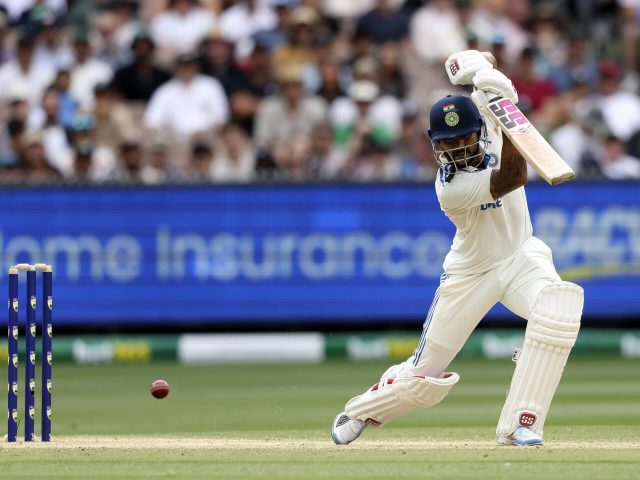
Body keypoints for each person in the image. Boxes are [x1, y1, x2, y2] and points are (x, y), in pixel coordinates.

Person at [331, 50, 584, 447]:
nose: (457, 148)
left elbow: (485, 57)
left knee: (558, 312)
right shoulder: (450, 188)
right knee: (425, 376)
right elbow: (514, 175)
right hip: (470, 274)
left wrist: (484, 71)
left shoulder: (489, 114)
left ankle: (522, 423)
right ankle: (364, 409)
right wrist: (509, 110)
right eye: (448, 142)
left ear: (479, 128)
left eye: (464, 137)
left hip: (521, 255)